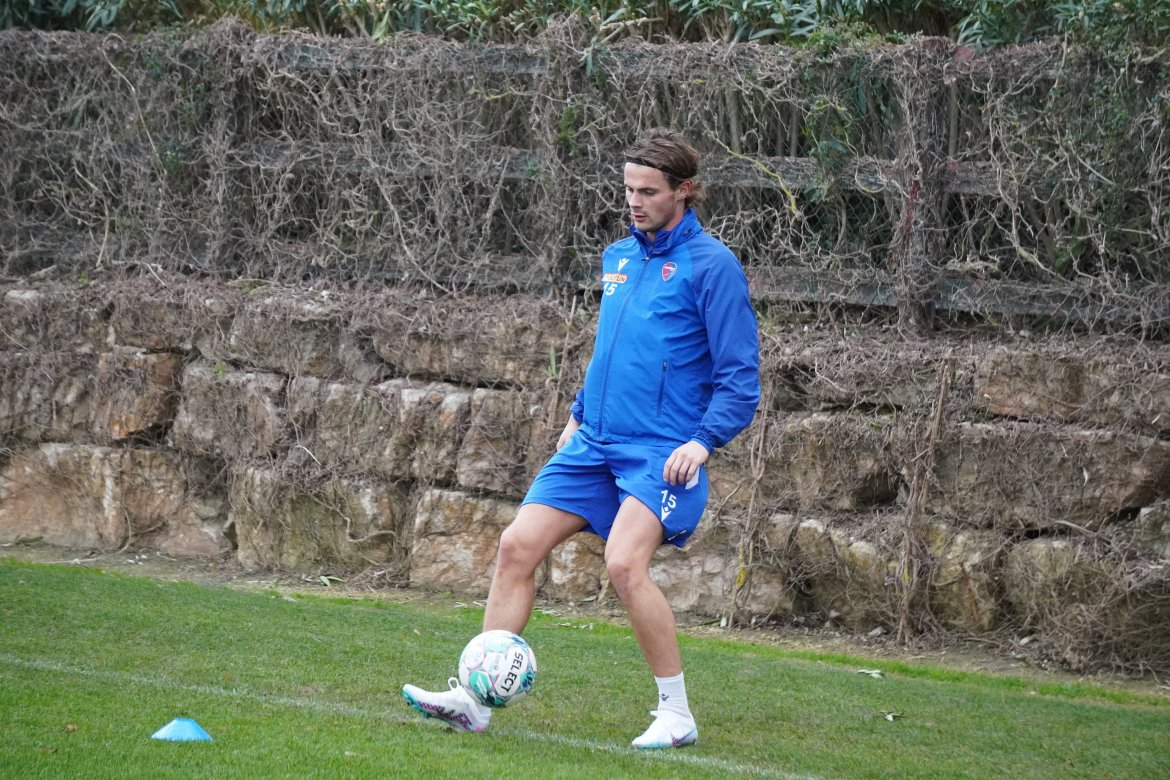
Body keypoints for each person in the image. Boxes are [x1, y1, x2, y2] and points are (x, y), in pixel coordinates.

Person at [402, 128, 760, 749]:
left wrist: (703, 442)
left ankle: (676, 714)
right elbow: (612, 352)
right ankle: (475, 702)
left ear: (685, 190)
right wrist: (577, 412)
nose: (635, 202)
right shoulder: (618, 257)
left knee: (624, 563)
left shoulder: (713, 267)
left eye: (648, 191)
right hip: (594, 441)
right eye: (628, 189)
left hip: (664, 453)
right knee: (516, 547)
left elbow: (740, 377)